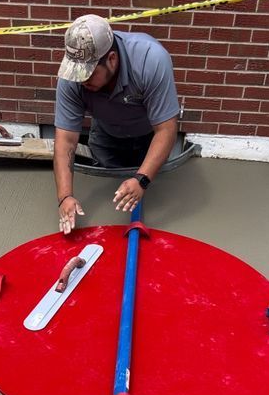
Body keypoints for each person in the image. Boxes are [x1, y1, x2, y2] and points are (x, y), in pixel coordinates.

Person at [54, 14, 179, 234]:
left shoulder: (151, 60)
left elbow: (166, 129)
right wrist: (65, 196)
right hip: (106, 137)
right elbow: (66, 139)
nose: (81, 81)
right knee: (112, 212)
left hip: (149, 140)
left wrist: (141, 179)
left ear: (111, 59)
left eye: (89, 75)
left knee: (150, 200)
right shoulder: (72, 77)